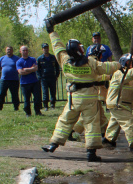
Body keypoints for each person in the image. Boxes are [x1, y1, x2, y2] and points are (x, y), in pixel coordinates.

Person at [41, 23, 121, 162]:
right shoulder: (90, 62)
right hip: (89, 99)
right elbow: (107, 67)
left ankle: (53, 144)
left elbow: (57, 47)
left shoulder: (65, 61)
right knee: (91, 125)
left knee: (65, 120)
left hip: (73, 98)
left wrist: (52, 32)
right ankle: (91, 153)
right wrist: (121, 64)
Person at [102, 54, 133, 151]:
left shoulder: (131, 75)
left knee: (115, 123)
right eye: (129, 62)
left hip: (120, 105)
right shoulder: (119, 73)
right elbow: (129, 75)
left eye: (132, 63)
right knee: (129, 122)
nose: (131, 64)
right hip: (117, 104)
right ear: (123, 63)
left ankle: (108, 140)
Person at [16, 45, 42, 116]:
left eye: (26, 50)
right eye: (23, 50)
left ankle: (38, 112)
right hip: (24, 83)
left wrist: (26, 69)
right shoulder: (19, 62)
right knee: (26, 99)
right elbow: (21, 72)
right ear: (20, 51)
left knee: (37, 98)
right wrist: (31, 69)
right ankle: (28, 113)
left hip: (34, 82)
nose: (25, 52)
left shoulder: (32, 59)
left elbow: (36, 68)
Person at [37, 42, 60, 110]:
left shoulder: (53, 57)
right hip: (44, 78)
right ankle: (46, 105)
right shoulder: (40, 58)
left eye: (47, 48)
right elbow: (37, 69)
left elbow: (57, 67)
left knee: (53, 92)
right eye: (44, 48)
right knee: (45, 92)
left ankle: (52, 104)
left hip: (52, 77)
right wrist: (40, 77)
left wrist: (56, 75)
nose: (46, 49)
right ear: (42, 49)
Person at [0, 46, 20, 110]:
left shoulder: (17, 58)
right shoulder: (2, 58)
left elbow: (19, 68)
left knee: (14, 94)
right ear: (5, 51)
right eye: (7, 50)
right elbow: (0, 68)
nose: (9, 51)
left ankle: (16, 107)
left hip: (14, 80)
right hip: (4, 80)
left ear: (12, 51)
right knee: (1, 94)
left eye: (10, 50)